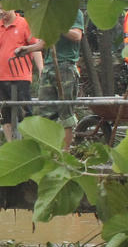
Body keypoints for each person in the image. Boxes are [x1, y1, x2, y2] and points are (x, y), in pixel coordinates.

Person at [23, 10, 85, 149]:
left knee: (65, 113)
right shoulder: (51, 13)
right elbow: (44, 43)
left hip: (65, 66)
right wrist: (27, 49)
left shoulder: (74, 13)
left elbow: (76, 36)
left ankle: (64, 152)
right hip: (49, 65)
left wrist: (58, 27)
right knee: (45, 110)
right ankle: (50, 150)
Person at [0, 8, 43, 141]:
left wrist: (41, 69)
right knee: (4, 113)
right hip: (1, 76)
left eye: (4, 8)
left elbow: (36, 48)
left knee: (25, 110)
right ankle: (10, 144)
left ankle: (28, 142)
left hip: (21, 76)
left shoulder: (25, 24)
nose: (1, 12)